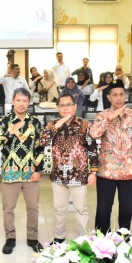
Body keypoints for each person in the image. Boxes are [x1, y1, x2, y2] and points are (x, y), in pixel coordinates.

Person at [0, 88, 45, 254]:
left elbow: (40, 147)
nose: (21, 104)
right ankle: (10, 239)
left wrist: (39, 170)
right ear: (12, 101)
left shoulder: (35, 122)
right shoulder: (3, 122)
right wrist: (9, 133)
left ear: (29, 103)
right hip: (10, 172)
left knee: (33, 208)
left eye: (25, 101)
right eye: (18, 100)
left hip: (31, 172)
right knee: (8, 209)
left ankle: (32, 238)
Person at [39, 93, 98, 243]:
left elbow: (92, 149)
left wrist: (93, 172)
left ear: (75, 107)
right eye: (62, 105)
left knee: (81, 210)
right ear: (58, 108)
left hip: (79, 176)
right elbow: (42, 142)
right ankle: (59, 238)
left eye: (68, 105)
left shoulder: (85, 125)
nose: (65, 108)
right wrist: (58, 125)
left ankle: (83, 239)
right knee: (59, 209)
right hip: (58, 176)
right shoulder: (52, 125)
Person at [90, 79, 132, 233]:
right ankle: (101, 241)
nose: (119, 98)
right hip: (106, 170)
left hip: (129, 170)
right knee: (103, 208)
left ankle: (123, 239)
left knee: (127, 208)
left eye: (121, 94)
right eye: (115, 95)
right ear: (109, 98)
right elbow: (94, 133)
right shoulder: (102, 115)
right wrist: (111, 116)